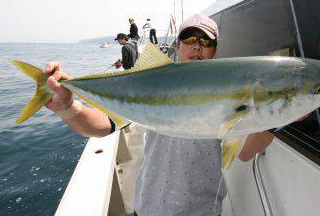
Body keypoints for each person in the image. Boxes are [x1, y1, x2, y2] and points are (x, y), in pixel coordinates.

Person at [43, 14, 274, 216]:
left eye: (206, 41)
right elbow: (101, 126)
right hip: (147, 208)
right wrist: (66, 107)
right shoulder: (153, 86)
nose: (197, 46)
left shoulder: (227, 93)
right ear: (178, 44)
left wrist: (278, 117)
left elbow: (244, 152)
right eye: (190, 39)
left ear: (215, 49)